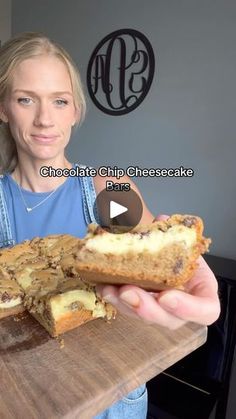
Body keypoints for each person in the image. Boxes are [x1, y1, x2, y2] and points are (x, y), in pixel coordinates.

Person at [0, 32, 220, 419]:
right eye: (25, 99)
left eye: (60, 101)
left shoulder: (109, 189)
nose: (45, 119)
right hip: (29, 403)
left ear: (75, 112)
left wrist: (183, 282)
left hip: (113, 405)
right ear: (3, 108)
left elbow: (153, 256)